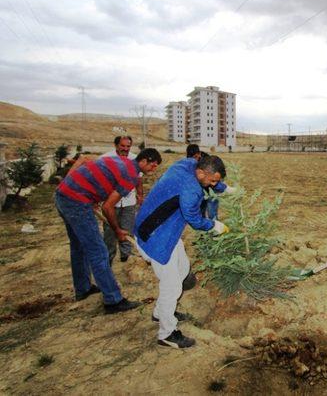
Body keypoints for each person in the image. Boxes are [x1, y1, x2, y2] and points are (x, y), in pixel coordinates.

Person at [134, 154, 229, 349]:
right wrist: (214, 225)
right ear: (201, 173)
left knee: (183, 269)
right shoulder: (191, 191)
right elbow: (194, 219)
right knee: (172, 286)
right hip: (156, 238)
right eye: (212, 181)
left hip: (167, 230)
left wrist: (226, 188)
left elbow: (211, 178)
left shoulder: (188, 164)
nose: (213, 185)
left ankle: (160, 312)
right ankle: (167, 334)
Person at [55, 148, 162, 313]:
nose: (153, 169)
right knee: (99, 251)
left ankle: (83, 289)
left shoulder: (123, 161)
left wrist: (91, 194)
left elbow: (92, 168)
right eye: (153, 165)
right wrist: (117, 230)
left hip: (63, 195)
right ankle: (113, 301)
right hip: (76, 202)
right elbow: (108, 207)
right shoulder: (131, 176)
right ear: (144, 161)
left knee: (79, 247)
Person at [100, 136, 143, 264]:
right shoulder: (105, 159)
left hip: (129, 201)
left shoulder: (135, 159)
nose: (125, 149)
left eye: (128, 146)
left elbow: (139, 179)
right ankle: (108, 258)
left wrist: (140, 195)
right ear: (116, 145)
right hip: (111, 202)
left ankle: (126, 256)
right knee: (110, 232)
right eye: (122, 146)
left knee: (127, 229)